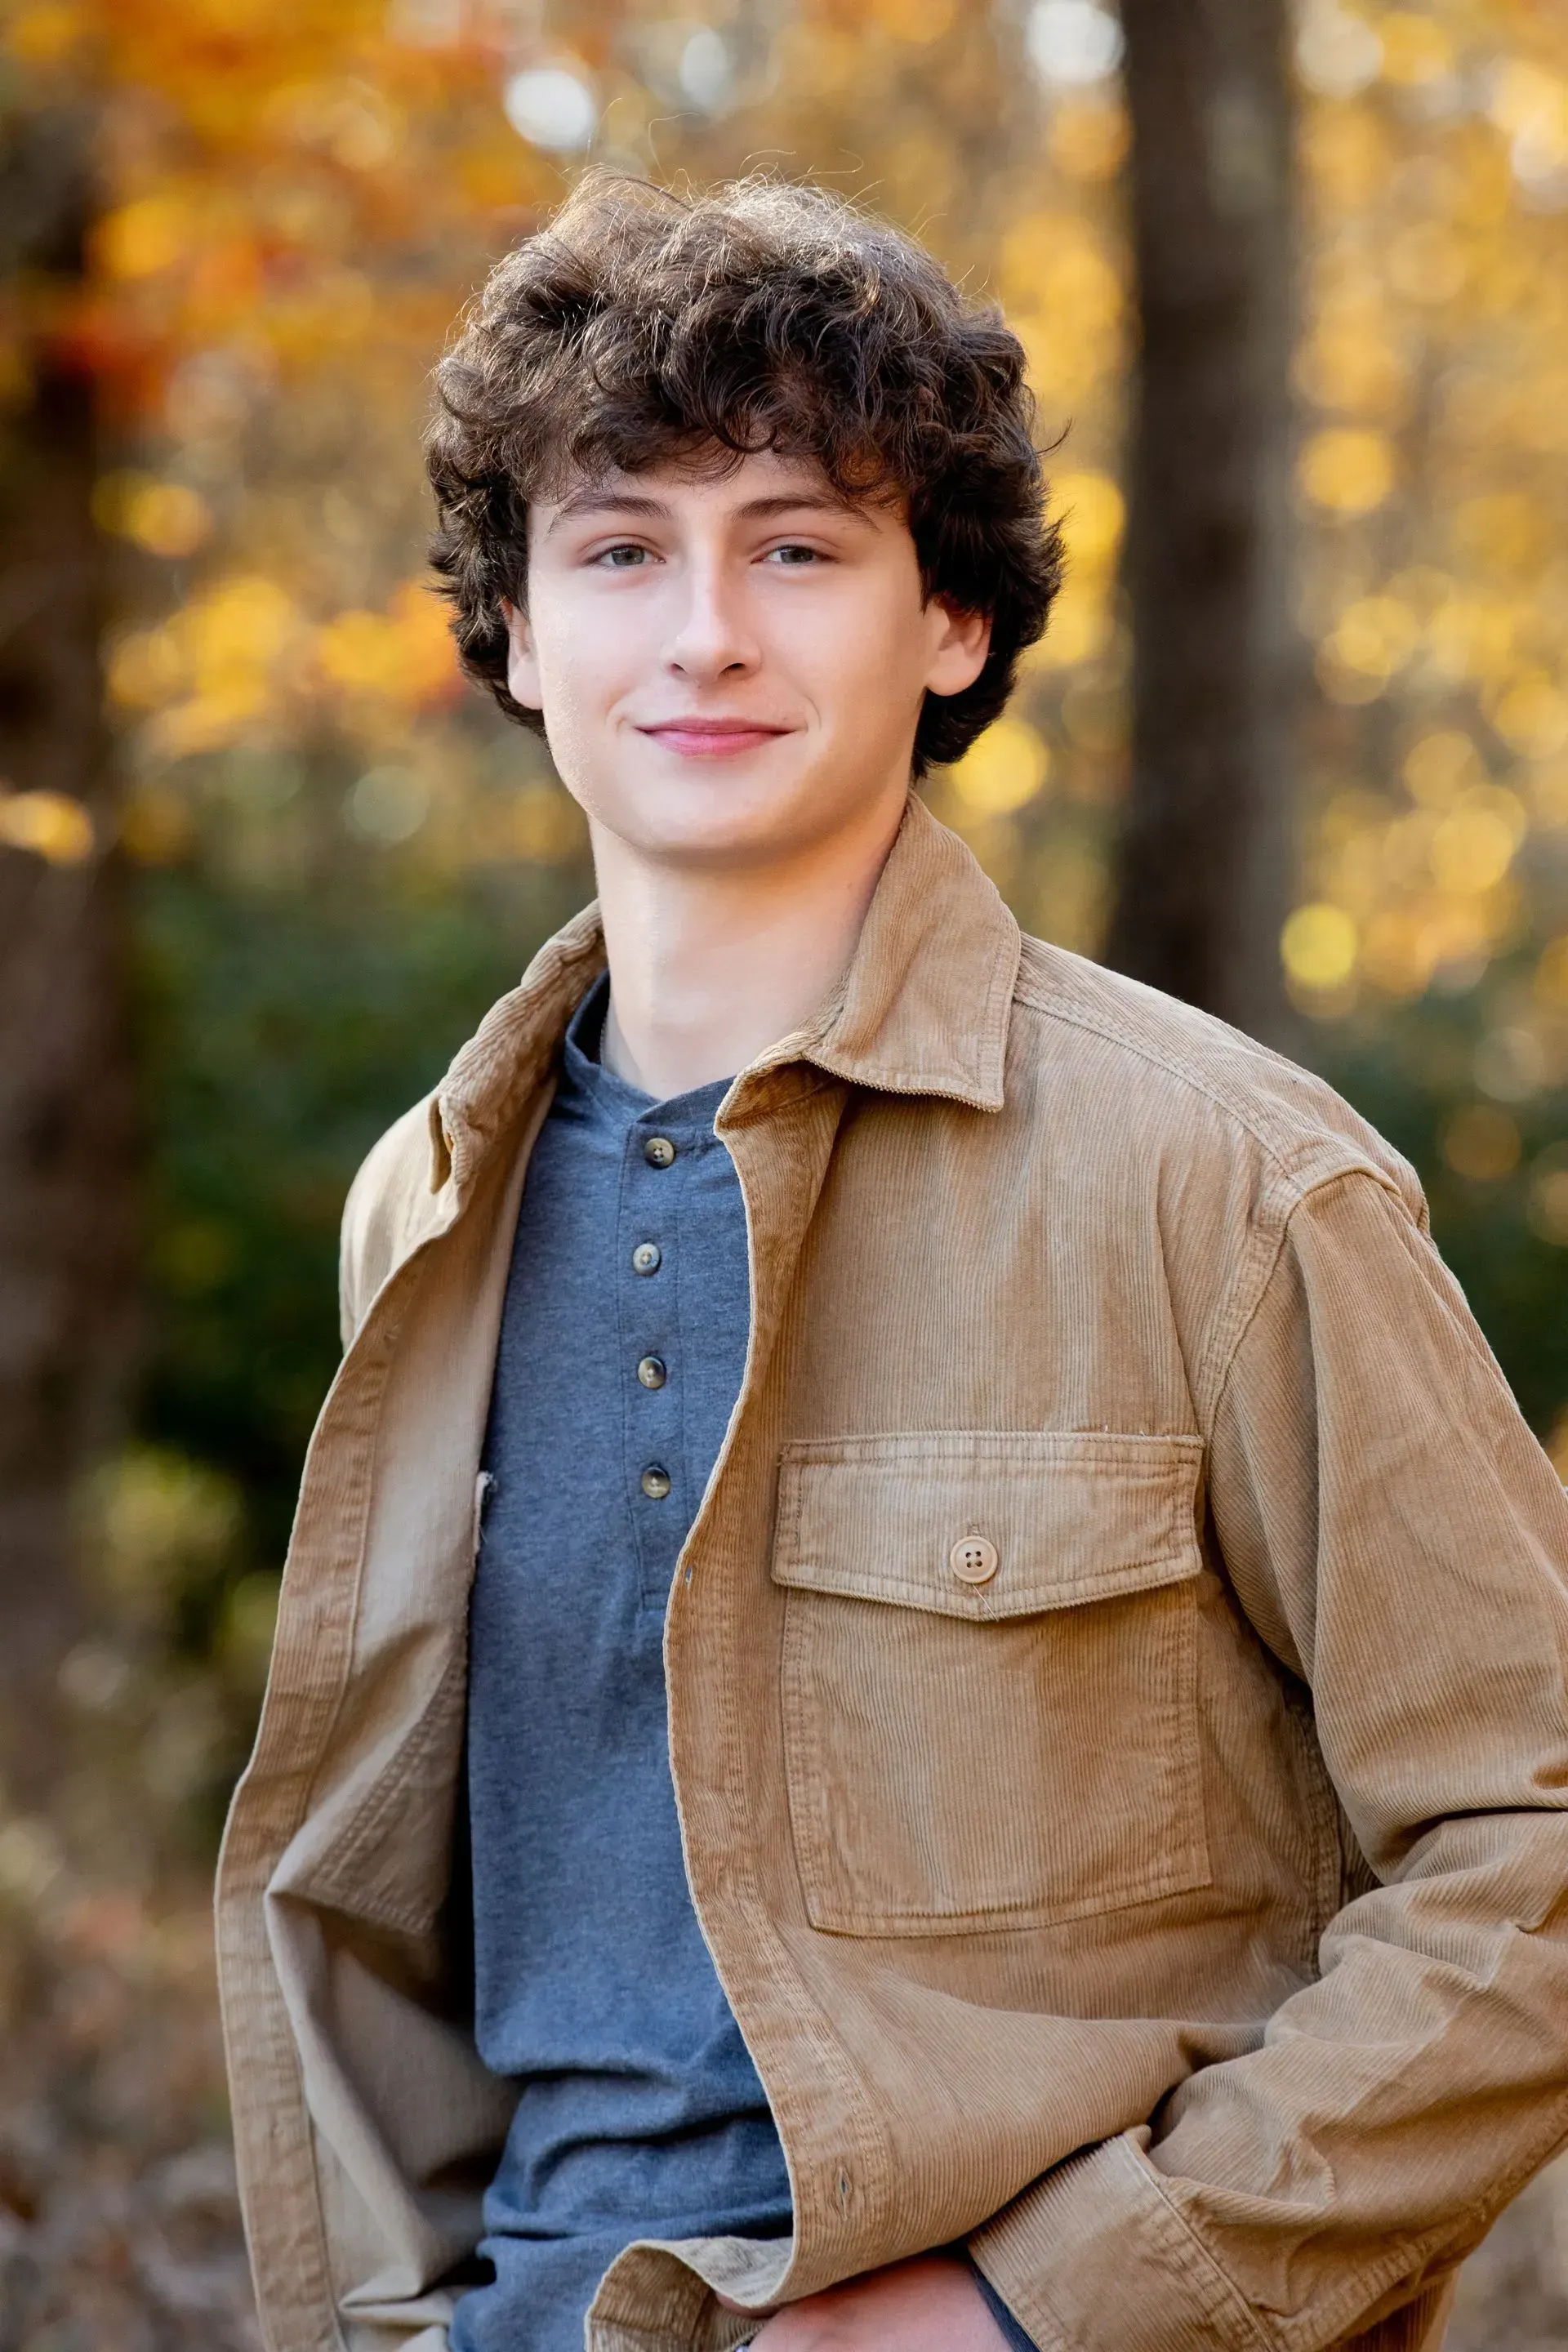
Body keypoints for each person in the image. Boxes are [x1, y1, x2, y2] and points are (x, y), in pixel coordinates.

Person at [216, 175, 1568, 2352]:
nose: (707, 633)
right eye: (622, 548)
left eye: (800, 547)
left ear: (949, 622)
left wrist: (1046, 2308)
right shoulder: (427, 1207)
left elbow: (1537, 1840)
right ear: (518, 635)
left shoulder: (1226, 1182)